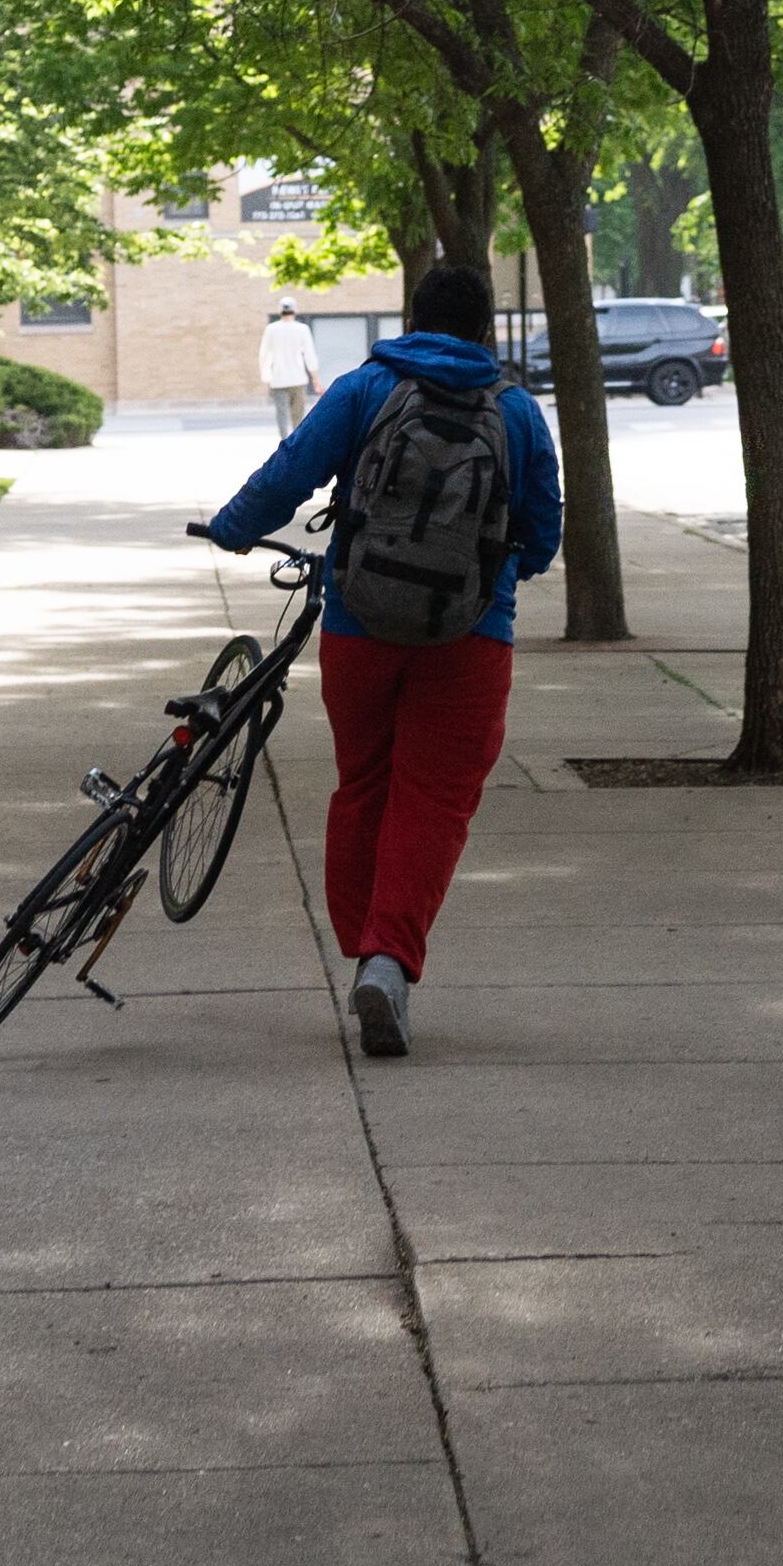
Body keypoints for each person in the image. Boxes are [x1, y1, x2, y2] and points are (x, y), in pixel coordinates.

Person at [207, 264, 561, 1057]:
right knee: (433, 799)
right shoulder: (516, 411)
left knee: (364, 781)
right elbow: (543, 533)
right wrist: (495, 573)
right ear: (483, 327)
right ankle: (389, 960)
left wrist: (233, 527)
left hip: (361, 626)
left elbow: (289, 472)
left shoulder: (366, 388)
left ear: (413, 317)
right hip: (471, 638)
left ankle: (364, 943)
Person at [257, 301, 320, 436]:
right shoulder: (302, 329)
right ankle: (296, 444)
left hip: (278, 379)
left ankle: (283, 441)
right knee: (298, 415)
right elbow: (309, 354)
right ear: (295, 311)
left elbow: (264, 354)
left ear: (280, 311)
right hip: (298, 379)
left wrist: (266, 375)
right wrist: (315, 377)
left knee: (282, 414)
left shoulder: (271, 329)